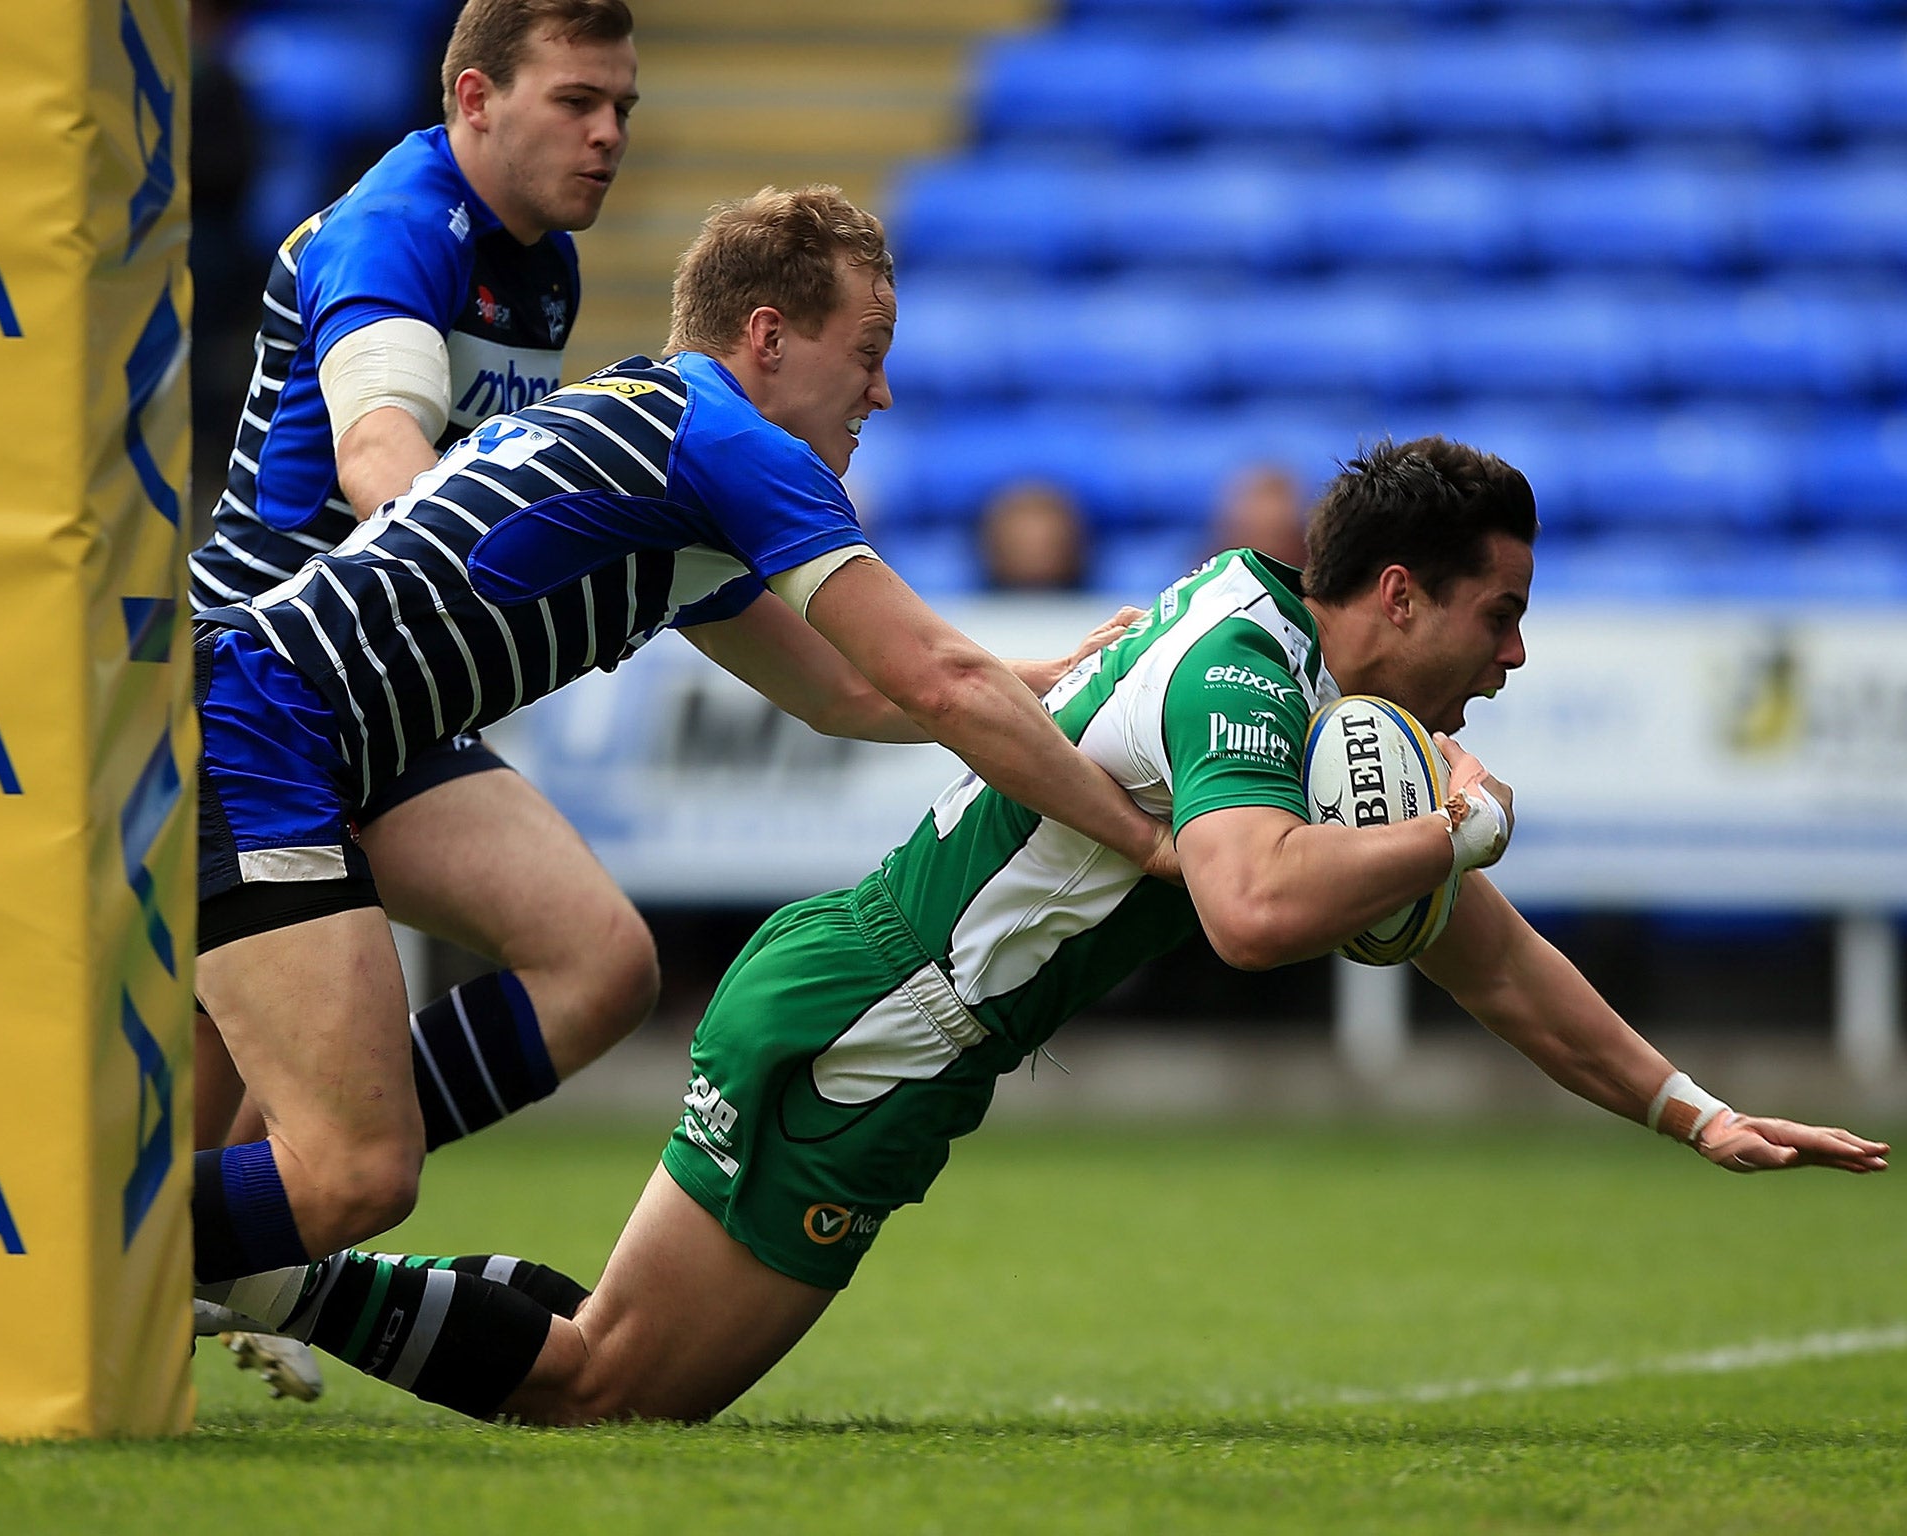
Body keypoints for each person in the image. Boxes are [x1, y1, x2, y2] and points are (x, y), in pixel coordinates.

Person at [196, 434, 1887, 1425]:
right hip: (876, 1027)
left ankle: (249, 1267)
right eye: (1496, 613)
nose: (1509, 656)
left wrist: (1687, 1109)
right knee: (608, 1393)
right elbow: (1243, 909)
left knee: (612, 1373)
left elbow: (1477, 952)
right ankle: (239, 1257)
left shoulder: (1287, 676)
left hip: (866, 998)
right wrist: (1453, 822)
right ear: (1396, 597)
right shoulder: (1249, 671)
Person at [185, 184, 1182, 1418]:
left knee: (353, 1126)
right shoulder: (731, 447)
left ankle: (170, 1260)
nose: (877, 392)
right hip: (263, 734)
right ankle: (63, 1252)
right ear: (766, 338)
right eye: (864, 354)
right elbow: (932, 679)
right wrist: (1144, 839)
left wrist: (1041, 677)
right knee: (347, 1173)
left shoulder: (667, 437)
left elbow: (852, 694)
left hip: (301, 737)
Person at [183, 0, 646, 1400]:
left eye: (624, 104)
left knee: (601, 962)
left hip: (378, 698)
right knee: (218, 1139)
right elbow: (385, 449)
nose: (611, 132)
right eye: (578, 100)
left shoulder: (544, 267)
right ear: (471, 99)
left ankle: (258, 1259)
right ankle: (226, 1264)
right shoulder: (398, 224)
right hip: (264, 681)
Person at [977, 478, 1089, 591]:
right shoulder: (966, 604)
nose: (1034, 554)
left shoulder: (1099, 603)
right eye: (1020, 546)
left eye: (1047, 547)